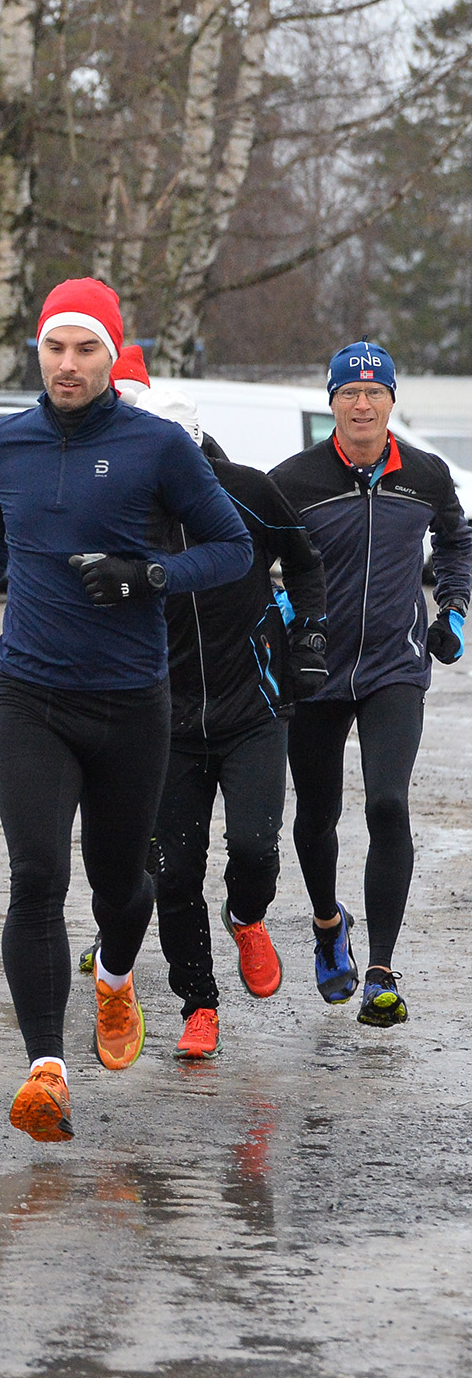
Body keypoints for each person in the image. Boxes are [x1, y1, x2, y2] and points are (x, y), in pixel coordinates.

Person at [0, 278, 250, 1143]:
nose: (68, 365)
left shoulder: (159, 446)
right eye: (56, 348)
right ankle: (45, 1069)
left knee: (120, 883)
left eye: (86, 349)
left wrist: (149, 576)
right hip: (31, 695)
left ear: (112, 352)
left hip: (131, 703)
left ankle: (112, 974)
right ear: (39, 350)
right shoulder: (10, 442)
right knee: (37, 877)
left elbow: (233, 546)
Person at [269, 341, 472, 1029]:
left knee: (387, 804)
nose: (362, 404)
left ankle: (381, 970)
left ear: (391, 400)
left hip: (394, 666)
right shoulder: (292, 481)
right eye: (349, 393)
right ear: (331, 401)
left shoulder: (425, 473)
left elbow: (457, 539)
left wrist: (456, 610)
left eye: (374, 392)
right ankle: (329, 924)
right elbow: (255, 562)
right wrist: (287, 625)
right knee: (316, 815)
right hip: (317, 672)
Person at [129, 385, 327, 1058]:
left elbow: (304, 564)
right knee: (174, 873)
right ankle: (199, 1005)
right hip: (166, 721)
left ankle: (246, 914)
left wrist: (308, 640)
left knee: (252, 846)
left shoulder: (246, 490)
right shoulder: (123, 513)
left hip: (254, 709)